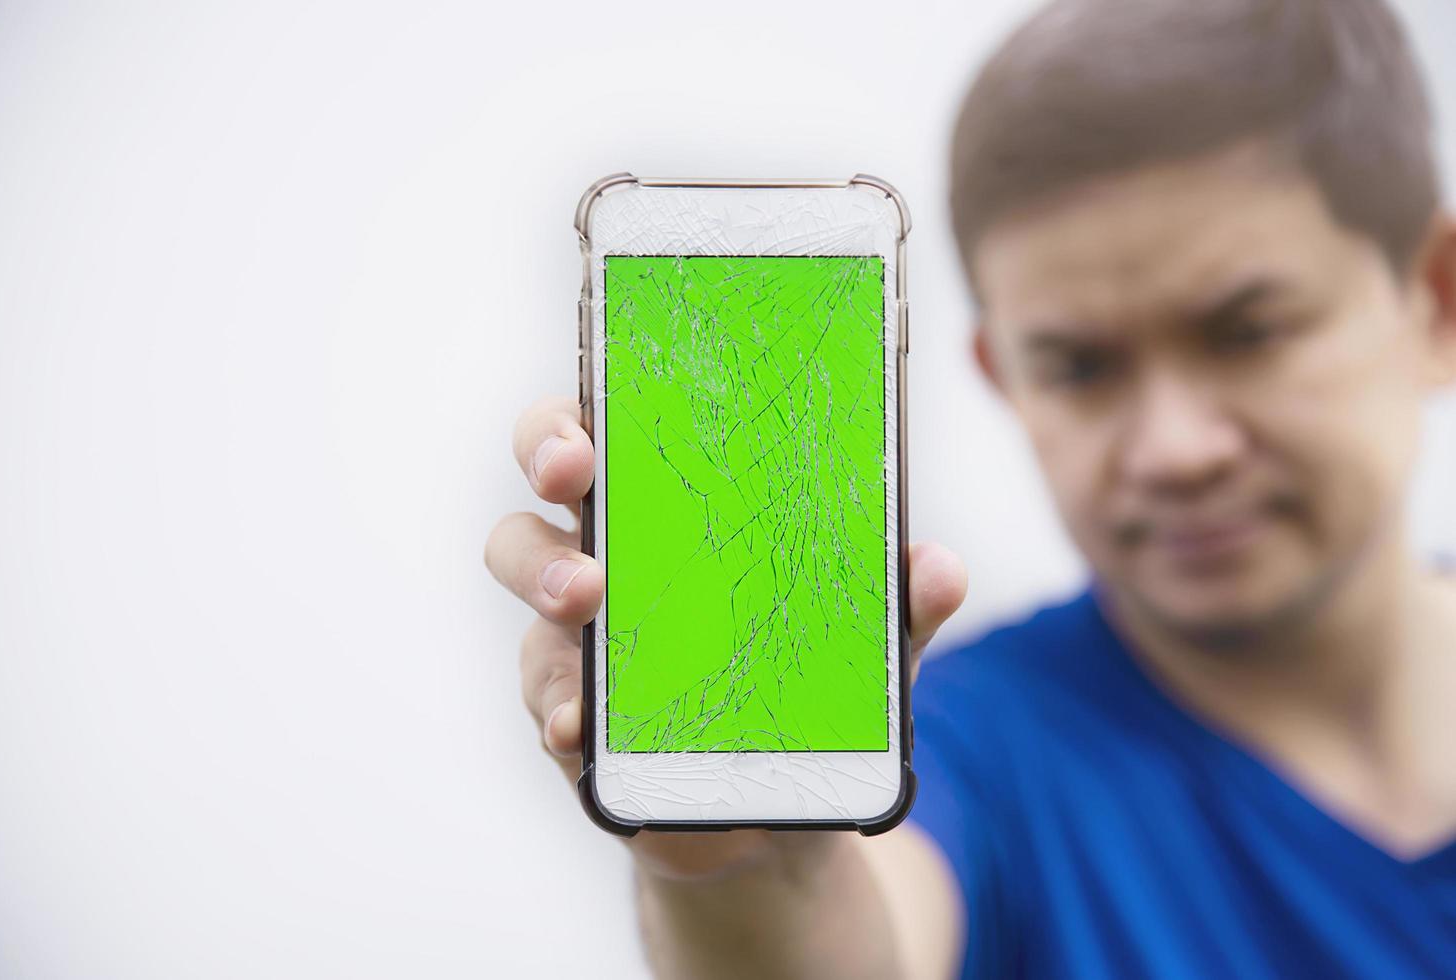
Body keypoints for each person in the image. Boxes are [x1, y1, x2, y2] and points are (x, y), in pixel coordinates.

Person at [486, 0, 1456, 975]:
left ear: (1437, 302)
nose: (1173, 448)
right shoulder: (970, 747)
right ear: (1004, 376)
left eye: (1246, 332)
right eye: (1078, 366)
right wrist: (746, 874)